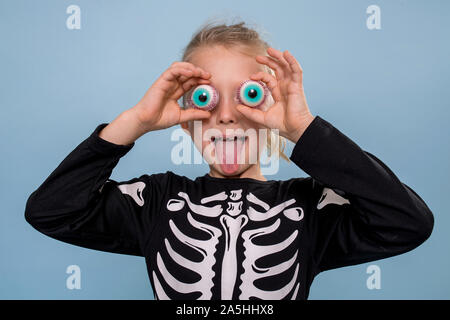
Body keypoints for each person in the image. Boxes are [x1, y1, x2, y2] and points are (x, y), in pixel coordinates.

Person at [24, 21, 434, 300]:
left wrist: (304, 130)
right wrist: (133, 122)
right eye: (205, 98)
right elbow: (52, 211)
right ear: (186, 123)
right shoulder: (157, 200)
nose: (226, 115)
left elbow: (406, 222)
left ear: (272, 114)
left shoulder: (309, 208)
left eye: (248, 96)